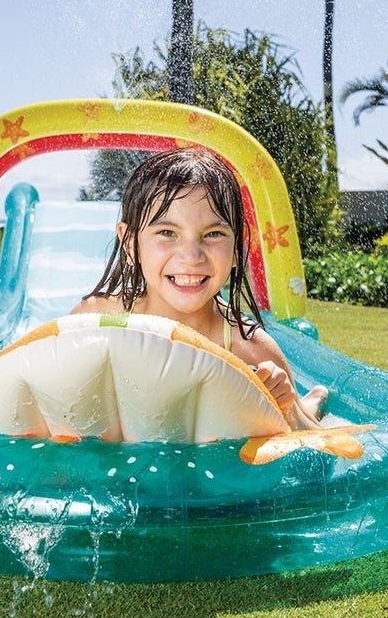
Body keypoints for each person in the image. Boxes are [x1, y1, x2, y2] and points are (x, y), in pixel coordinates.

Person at [72, 146, 327, 430]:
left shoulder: (250, 349)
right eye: (167, 233)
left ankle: (310, 402)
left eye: (213, 234)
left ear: (237, 247)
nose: (192, 257)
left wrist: (289, 409)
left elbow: (319, 447)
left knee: (304, 409)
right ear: (131, 243)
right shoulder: (95, 320)